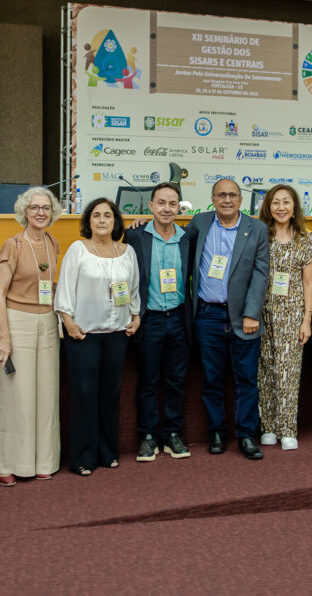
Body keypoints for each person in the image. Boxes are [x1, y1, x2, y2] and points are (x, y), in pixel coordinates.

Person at [185, 179, 270, 460]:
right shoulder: (199, 222)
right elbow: (176, 241)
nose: (227, 200)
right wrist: (140, 226)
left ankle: (246, 434)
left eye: (233, 195)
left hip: (243, 317)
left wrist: (251, 313)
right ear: (212, 198)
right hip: (207, 315)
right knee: (211, 378)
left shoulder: (256, 229)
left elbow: (261, 274)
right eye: (221, 195)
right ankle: (217, 432)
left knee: (246, 379)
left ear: (241, 200)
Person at [55, 197, 141, 475]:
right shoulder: (78, 249)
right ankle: (83, 456)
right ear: (88, 221)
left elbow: (133, 288)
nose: (102, 220)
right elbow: (65, 289)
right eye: (96, 215)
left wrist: (136, 316)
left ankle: (107, 451)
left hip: (117, 333)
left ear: (115, 221)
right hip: (83, 334)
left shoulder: (127, 251)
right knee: (84, 393)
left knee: (110, 393)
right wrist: (68, 321)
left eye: (107, 215)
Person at [0, 187, 63, 485]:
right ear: (24, 211)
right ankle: (10, 464)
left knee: (46, 394)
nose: (40, 213)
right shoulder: (13, 245)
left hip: (47, 321)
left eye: (46, 208)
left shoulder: (53, 242)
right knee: (18, 395)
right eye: (34, 207)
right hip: (17, 320)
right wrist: (5, 336)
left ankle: (44, 460)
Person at [124, 182, 193, 462]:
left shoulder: (189, 237)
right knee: (148, 381)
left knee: (176, 382)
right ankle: (148, 436)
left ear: (179, 208)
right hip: (149, 319)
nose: (167, 208)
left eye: (172, 203)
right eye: (161, 203)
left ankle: (173, 434)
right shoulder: (135, 236)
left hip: (179, 319)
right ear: (151, 206)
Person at [256, 184, 312, 451]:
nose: (281, 207)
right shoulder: (260, 236)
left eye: (286, 202)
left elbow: (308, 283)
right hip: (261, 312)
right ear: (268, 207)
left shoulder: (305, 239)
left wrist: (306, 319)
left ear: (294, 208)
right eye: (276, 202)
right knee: (265, 370)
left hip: (292, 314)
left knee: (288, 372)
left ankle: (288, 428)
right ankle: (268, 427)